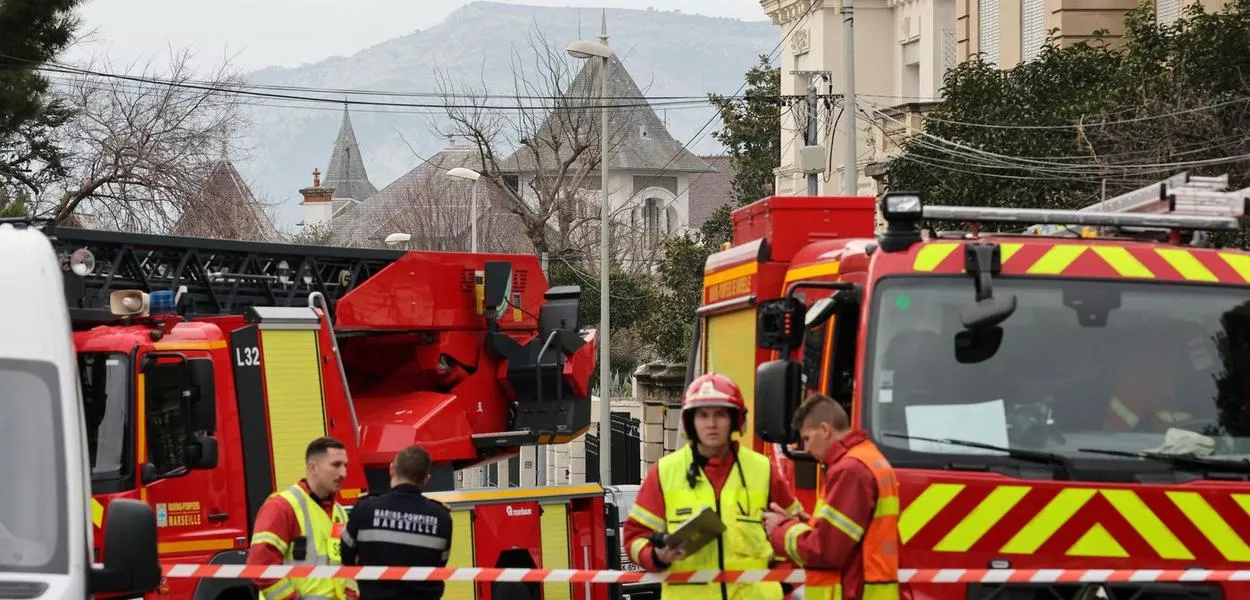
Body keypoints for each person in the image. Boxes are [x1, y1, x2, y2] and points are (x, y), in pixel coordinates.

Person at [622, 372, 801, 600]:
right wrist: (658, 556)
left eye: (720, 415)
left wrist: (779, 587)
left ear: (735, 419)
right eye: (703, 415)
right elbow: (634, 538)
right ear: (691, 422)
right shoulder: (665, 472)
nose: (712, 424)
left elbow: (795, 536)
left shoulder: (763, 470)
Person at [763, 394, 904, 600]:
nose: (807, 449)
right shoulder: (868, 458)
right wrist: (809, 524)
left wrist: (780, 530)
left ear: (825, 430)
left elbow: (827, 551)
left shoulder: (850, 470)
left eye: (807, 439)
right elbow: (850, 536)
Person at [247, 437, 359, 600]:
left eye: (345, 466)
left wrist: (351, 596)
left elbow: (347, 566)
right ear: (313, 467)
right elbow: (260, 566)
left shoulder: (339, 512)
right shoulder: (282, 507)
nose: (343, 473)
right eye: (335, 465)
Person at [341, 444, 453, 600]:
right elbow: (439, 565)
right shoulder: (442, 518)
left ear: (391, 469)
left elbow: (347, 557)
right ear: (426, 479)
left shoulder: (364, 509)